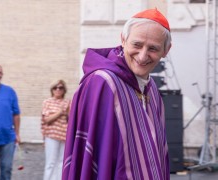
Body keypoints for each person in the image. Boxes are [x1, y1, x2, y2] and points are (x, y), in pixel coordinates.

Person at [62, 9, 172, 180]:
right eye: (137, 45)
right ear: (123, 39)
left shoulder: (153, 91)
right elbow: (90, 155)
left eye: (153, 49)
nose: (143, 56)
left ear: (166, 50)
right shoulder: (102, 83)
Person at [41, 79, 70, 180]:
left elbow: (71, 120)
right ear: (52, 89)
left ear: (64, 90)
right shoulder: (47, 102)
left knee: (62, 162)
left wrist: (67, 113)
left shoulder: (68, 102)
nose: (58, 90)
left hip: (65, 136)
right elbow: (47, 120)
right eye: (55, 87)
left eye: (60, 88)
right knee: (50, 162)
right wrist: (60, 112)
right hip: (51, 135)